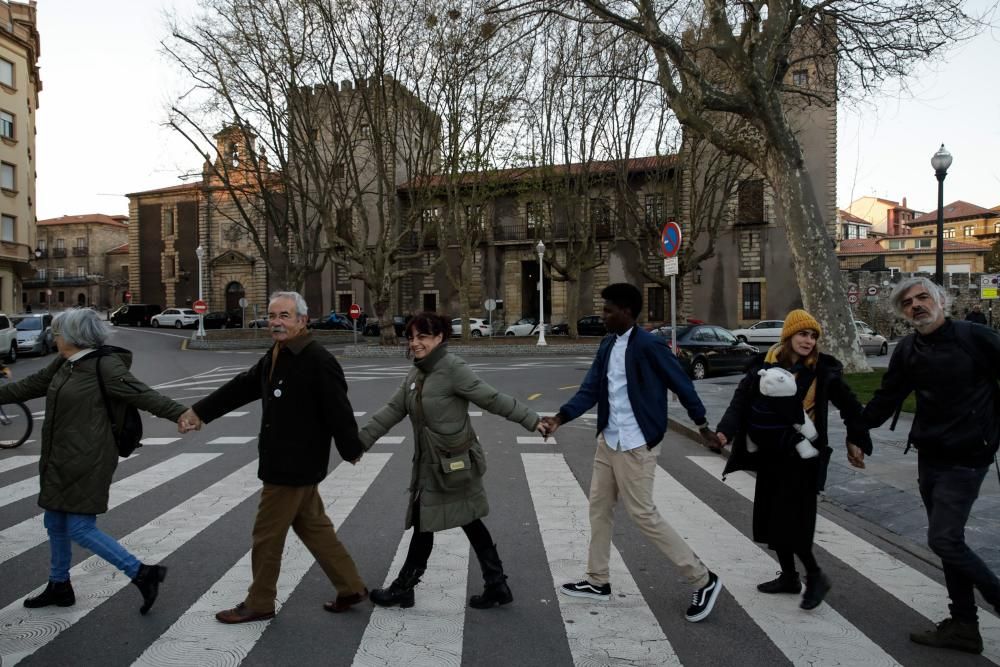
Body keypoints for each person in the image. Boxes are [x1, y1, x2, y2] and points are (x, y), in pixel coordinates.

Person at [179, 291, 369, 623]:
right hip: (286, 461)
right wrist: (200, 411)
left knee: (266, 536)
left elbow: (338, 408)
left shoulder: (318, 359)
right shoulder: (279, 352)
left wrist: (350, 448)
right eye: (272, 316)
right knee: (314, 527)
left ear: (302, 320)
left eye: (284, 316)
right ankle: (350, 586)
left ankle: (260, 601)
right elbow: (244, 386)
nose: (276, 322)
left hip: (292, 464)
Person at [539, 283, 725, 623]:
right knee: (599, 508)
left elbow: (681, 384)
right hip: (609, 440)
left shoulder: (649, 345)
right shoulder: (608, 343)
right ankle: (598, 580)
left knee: (643, 514)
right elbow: (590, 389)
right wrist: (561, 418)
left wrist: (701, 425)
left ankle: (703, 578)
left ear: (627, 311)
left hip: (636, 442)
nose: (604, 315)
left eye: (609, 310)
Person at [0, 308, 189, 615]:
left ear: (74, 336)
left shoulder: (106, 365)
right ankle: (59, 585)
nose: (54, 337)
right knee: (55, 521)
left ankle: (142, 573)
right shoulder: (64, 364)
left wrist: (181, 414)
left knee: (80, 527)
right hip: (59, 456)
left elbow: (142, 394)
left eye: (58, 332)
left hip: (89, 458)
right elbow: (29, 385)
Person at [358, 312, 546, 610]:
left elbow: (493, 398)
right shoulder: (417, 374)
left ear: (439, 338)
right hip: (431, 464)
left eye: (423, 337)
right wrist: (359, 442)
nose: (415, 343)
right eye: (412, 337)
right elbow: (392, 410)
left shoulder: (452, 368)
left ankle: (404, 588)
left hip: (453, 465)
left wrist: (533, 420)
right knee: (465, 521)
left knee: (429, 522)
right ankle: (496, 584)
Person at [863, 277, 1000, 655]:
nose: (916, 305)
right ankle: (964, 626)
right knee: (950, 541)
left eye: (923, 297)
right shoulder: (908, 349)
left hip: (969, 456)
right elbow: (888, 396)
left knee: (943, 538)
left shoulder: (976, 338)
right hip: (931, 455)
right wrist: (857, 430)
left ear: (942, 300)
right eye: (908, 303)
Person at [715, 309, 871, 611]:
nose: (809, 341)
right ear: (788, 336)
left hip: (805, 457)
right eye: (803, 334)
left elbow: (852, 407)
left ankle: (815, 575)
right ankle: (789, 576)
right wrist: (724, 432)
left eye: (813, 336)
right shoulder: (763, 366)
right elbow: (741, 402)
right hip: (771, 454)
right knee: (773, 517)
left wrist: (856, 439)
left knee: (794, 520)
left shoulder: (824, 371)